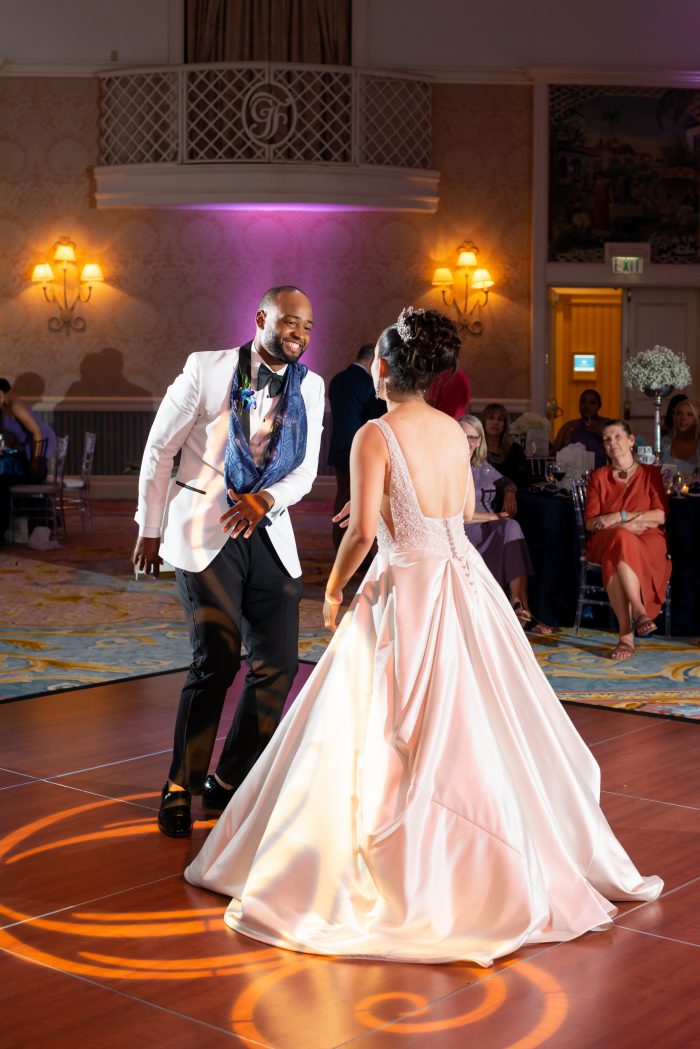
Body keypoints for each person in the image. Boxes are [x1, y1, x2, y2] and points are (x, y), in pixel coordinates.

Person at [185, 307, 661, 967]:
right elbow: (462, 512)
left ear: (386, 366)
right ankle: (486, 860)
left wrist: (333, 588)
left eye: (376, 361)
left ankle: (401, 867)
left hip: (407, 585)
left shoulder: (375, 433)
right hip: (463, 579)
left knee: (388, 724)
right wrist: (390, 509)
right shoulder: (455, 433)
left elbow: (358, 537)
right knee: (475, 718)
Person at [132, 285, 325, 837]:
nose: (300, 334)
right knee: (215, 658)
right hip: (205, 528)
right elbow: (159, 448)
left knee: (278, 665)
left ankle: (227, 780)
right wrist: (149, 528)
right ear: (262, 317)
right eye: (291, 322)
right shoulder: (207, 369)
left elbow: (305, 471)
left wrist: (268, 498)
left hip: (266, 531)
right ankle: (179, 784)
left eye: (309, 327)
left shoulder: (310, 388)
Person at [585, 420, 671, 662]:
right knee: (620, 538)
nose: (613, 443)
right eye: (607, 439)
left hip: (648, 539)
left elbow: (661, 515)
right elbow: (590, 523)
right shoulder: (599, 477)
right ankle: (641, 613)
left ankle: (626, 635)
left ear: (631, 441)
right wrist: (622, 526)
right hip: (607, 538)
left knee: (618, 548)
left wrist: (619, 516)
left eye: (618, 437)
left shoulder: (651, 474)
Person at [460, 414, 551, 634]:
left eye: (473, 438)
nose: (468, 443)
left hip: (491, 527)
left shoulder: (481, 466)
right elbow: (457, 516)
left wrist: (509, 493)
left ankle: (519, 604)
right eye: (463, 436)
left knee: (512, 528)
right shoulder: (449, 467)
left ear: (480, 441)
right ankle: (521, 611)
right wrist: (494, 517)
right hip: (464, 530)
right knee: (509, 526)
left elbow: (507, 481)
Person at [327, 343, 385, 550]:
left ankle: (340, 545)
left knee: (343, 498)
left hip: (339, 447)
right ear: (371, 361)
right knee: (360, 501)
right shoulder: (368, 384)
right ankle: (355, 551)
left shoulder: (337, 380)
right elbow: (378, 415)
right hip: (360, 450)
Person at [0, 378, 57, 480]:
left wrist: (35, 460)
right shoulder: (5, 404)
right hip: (28, 441)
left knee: (34, 473)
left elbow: (37, 431)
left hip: (41, 439)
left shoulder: (15, 405)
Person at [552, 388, 611, 468]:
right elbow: (552, 455)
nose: (587, 406)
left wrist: (600, 432)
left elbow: (619, 450)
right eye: (583, 402)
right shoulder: (569, 426)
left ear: (599, 406)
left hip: (601, 472)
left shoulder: (607, 425)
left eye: (592, 403)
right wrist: (564, 447)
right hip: (573, 474)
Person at [482, 401, 532, 486]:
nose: (495, 422)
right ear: (484, 423)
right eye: (491, 418)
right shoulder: (476, 450)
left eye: (500, 419)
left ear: (505, 425)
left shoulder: (515, 450)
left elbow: (524, 480)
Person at [659, 397, 700, 472]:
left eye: (690, 414)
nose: (683, 417)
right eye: (679, 413)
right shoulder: (663, 444)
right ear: (674, 417)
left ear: (697, 419)